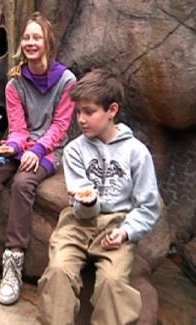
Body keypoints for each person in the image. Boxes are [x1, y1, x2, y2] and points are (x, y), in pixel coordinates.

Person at [0, 12, 76, 306]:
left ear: (47, 42)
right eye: (26, 38)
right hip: (21, 145)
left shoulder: (66, 80)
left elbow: (60, 128)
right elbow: (19, 128)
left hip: (49, 150)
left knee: (23, 183)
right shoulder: (15, 83)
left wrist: (37, 152)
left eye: (36, 37)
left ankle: (14, 264)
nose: (30, 42)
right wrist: (12, 146)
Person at [37, 68, 160, 324]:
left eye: (89, 112)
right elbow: (82, 206)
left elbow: (148, 207)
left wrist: (127, 232)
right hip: (79, 222)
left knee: (113, 282)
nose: (81, 119)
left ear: (112, 110)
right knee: (58, 269)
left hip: (116, 223)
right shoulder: (74, 150)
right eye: (78, 112)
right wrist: (88, 203)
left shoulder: (137, 152)